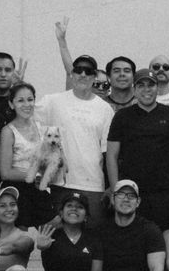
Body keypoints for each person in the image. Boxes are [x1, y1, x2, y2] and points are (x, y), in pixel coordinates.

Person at [37, 37, 116, 224]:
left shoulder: (105, 109)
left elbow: (108, 152)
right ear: (72, 74)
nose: (83, 74)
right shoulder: (52, 101)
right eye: (78, 70)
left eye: (88, 71)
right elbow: (25, 118)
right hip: (59, 183)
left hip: (93, 185)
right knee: (58, 235)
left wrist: (112, 187)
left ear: (94, 76)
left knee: (92, 235)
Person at [98, 179, 168, 271]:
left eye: (131, 196)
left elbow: (157, 270)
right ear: (112, 199)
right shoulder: (100, 231)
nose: (126, 199)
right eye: (121, 194)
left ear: (138, 202)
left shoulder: (151, 230)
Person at [0, 82, 50, 227]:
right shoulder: (8, 131)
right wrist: (36, 175)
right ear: (11, 104)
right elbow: (5, 173)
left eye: (30, 99)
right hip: (18, 192)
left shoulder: (40, 127)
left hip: (39, 190)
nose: (26, 104)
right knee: (23, 237)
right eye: (20, 100)